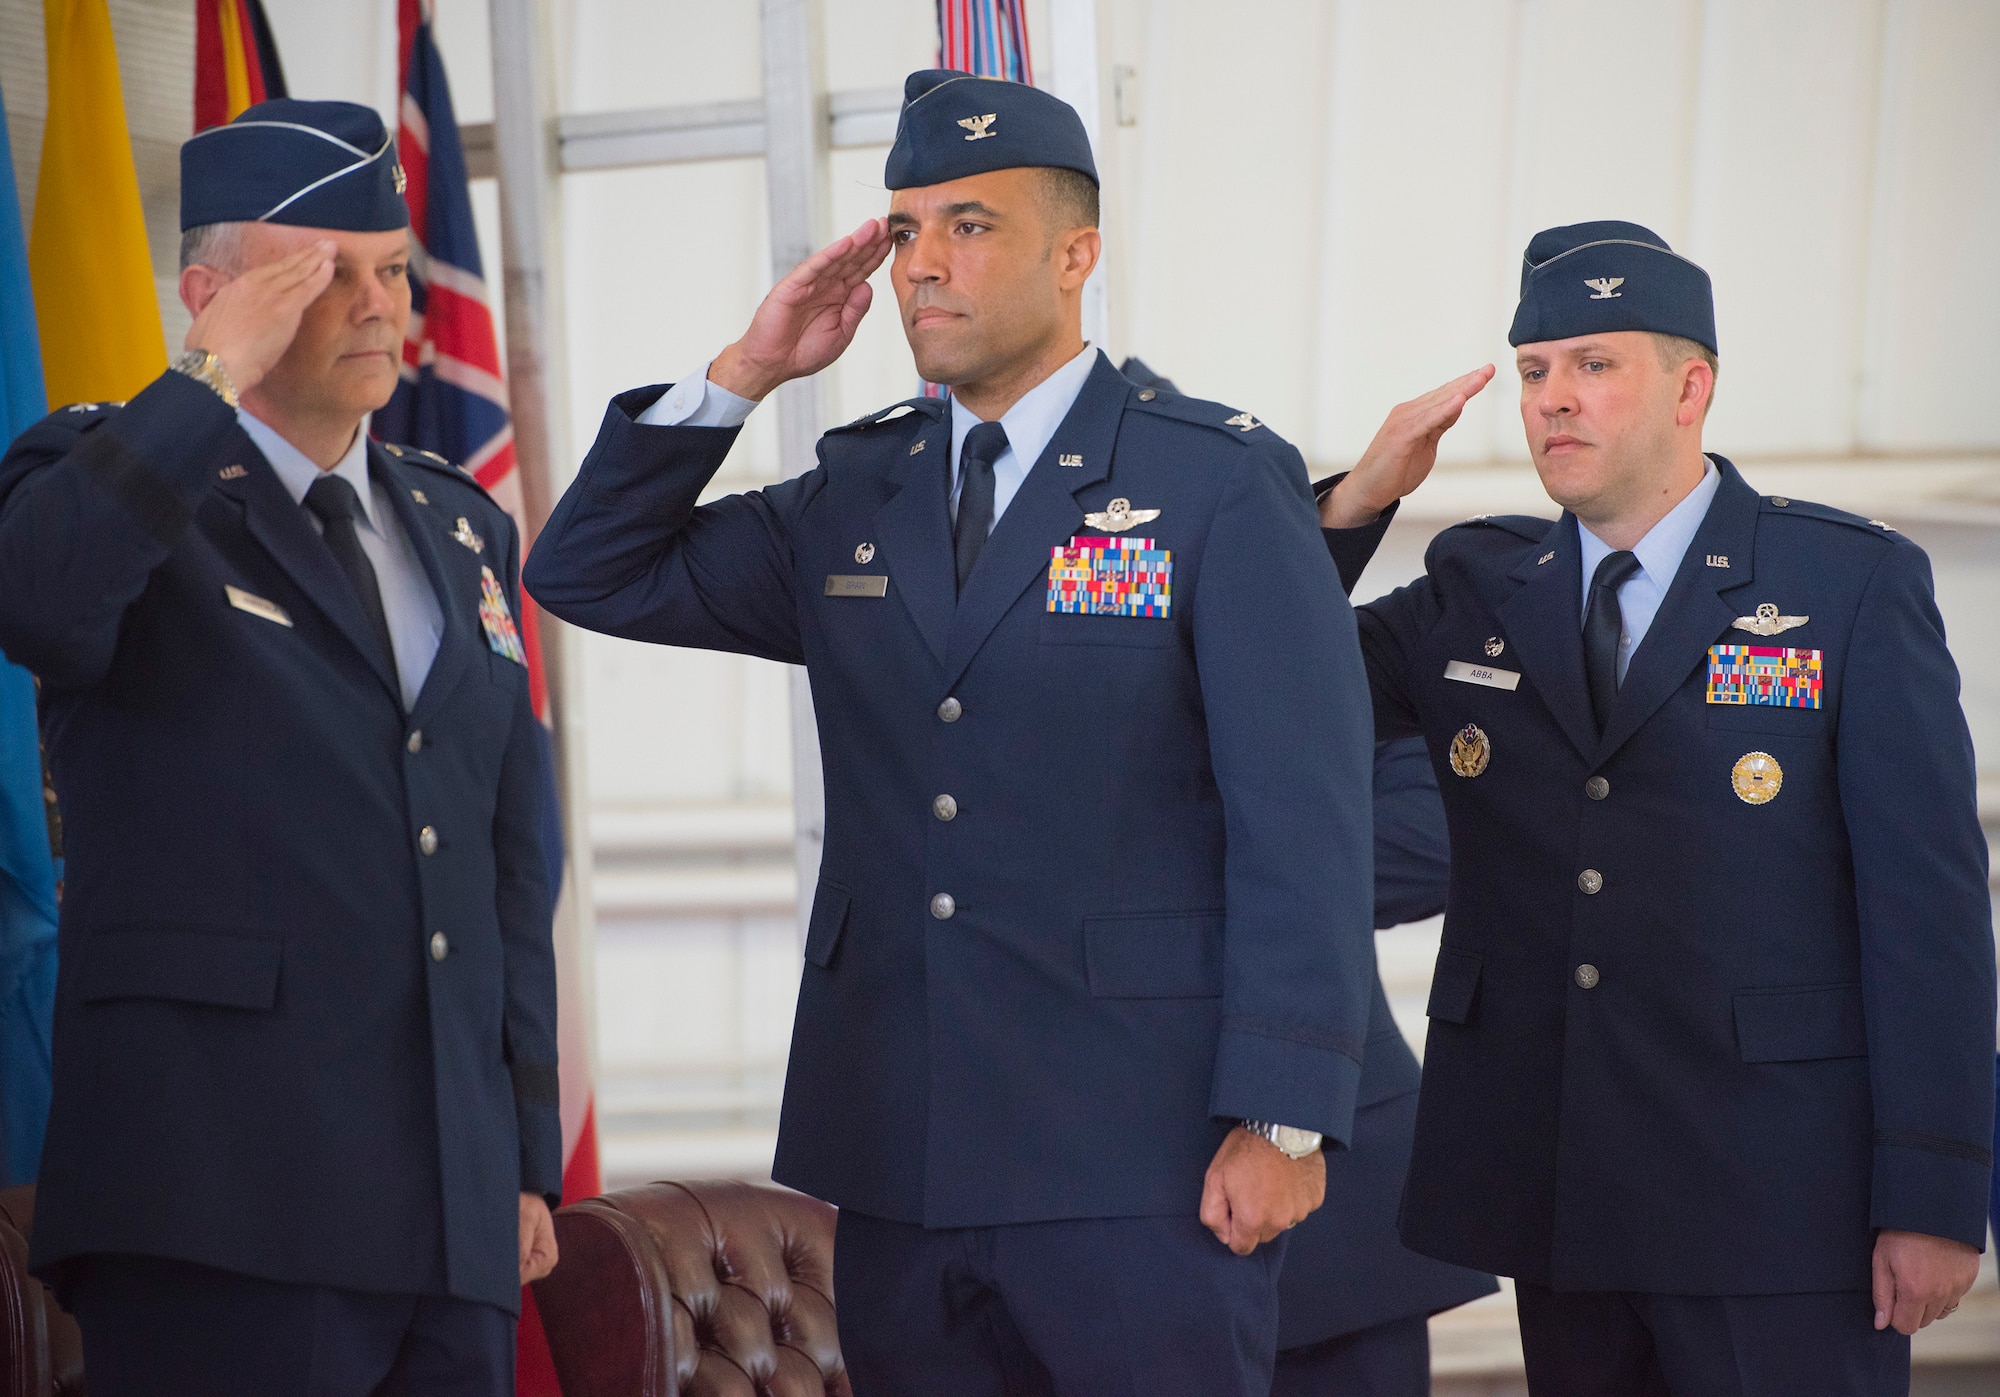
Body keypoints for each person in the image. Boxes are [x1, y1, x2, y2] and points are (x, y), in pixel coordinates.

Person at [526, 69, 1381, 1395]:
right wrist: (747, 370)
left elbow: (1305, 818)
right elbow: (589, 572)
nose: (925, 263)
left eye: (969, 225)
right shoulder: (860, 489)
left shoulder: (1211, 482)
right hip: (903, 1158)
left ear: (1076, 252)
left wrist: (1287, 1117)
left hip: (1141, 1166)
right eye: (905, 229)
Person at [1316, 219, 1995, 1395]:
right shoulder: (1476, 589)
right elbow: (1263, 679)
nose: (1552, 400)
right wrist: (1356, 500)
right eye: (1532, 372)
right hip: (1558, 1192)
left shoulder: (1841, 587)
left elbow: (1926, 913)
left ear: (1692, 386)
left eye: (1593, 364)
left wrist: (1933, 1193)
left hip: (1777, 1204)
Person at [0, 99, 561, 1395]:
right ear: (214, 293)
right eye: (323, 271)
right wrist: (202, 383)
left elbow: (506, 855)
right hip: (222, 1207)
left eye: (392, 270)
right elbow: (36, 599)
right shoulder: (109, 476)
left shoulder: (459, 526)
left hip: (450, 1215)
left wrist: (520, 1152)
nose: (377, 304)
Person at [1118, 359, 1498, 1394]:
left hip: (1327, 1219)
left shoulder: (1335, 660)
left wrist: (1162, 858)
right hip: (1093, 1208)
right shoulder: (1057, 677)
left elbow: (1434, 835)